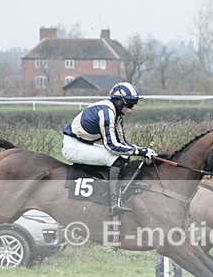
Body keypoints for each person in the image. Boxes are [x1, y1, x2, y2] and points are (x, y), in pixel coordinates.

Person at [62, 81, 156, 215]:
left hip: (84, 144)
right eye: (129, 104)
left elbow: (122, 142)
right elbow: (112, 146)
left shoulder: (116, 114)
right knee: (114, 158)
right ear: (119, 102)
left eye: (134, 104)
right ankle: (114, 203)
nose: (132, 109)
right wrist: (138, 151)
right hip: (72, 147)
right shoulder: (106, 113)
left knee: (123, 156)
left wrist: (143, 150)